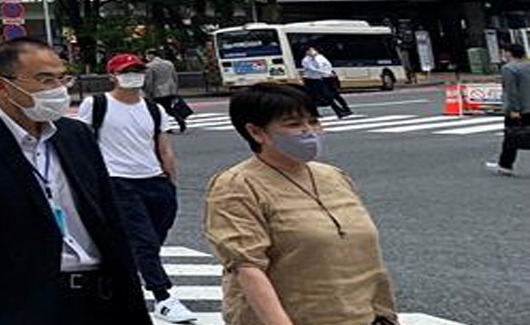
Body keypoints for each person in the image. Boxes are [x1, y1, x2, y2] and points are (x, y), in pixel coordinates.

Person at [0, 37, 151, 325]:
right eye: (45, 80)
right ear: (1, 86)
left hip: (98, 300)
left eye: (61, 79)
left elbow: (109, 219)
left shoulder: (75, 135)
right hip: (19, 307)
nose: (57, 90)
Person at [205, 82, 397, 325]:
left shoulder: (333, 176)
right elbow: (247, 268)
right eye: (294, 124)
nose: (309, 131)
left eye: (314, 121)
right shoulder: (237, 186)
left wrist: (382, 313)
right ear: (256, 132)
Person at [75, 55, 192, 323]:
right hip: (117, 181)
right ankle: (163, 297)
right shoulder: (96, 105)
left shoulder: (153, 109)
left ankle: (119, 278)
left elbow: (164, 147)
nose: (134, 75)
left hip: (155, 181)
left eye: (139, 70)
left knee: (152, 238)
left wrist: (170, 181)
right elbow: (83, 144)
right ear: (112, 76)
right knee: (144, 240)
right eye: (127, 71)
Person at [488, 41, 530, 176]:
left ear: (508, 53)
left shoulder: (509, 68)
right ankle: (504, 164)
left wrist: (514, 109)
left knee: (511, 137)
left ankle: (505, 165)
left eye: (503, 52)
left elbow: (511, 91)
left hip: (519, 109)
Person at [298, 45, 352, 119]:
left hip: (318, 79)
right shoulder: (305, 60)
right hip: (310, 81)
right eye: (311, 50)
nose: (313, 51)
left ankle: (339, 112)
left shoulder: (317, 58)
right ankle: (315, 113)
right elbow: (313, 69)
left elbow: (325, 65)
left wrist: (328, 72)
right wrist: (326, 72)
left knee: (327, 96)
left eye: (313, 50)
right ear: (307, 52)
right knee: (313, 97)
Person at [142, 50, 186, 132]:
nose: (146, 58)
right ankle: (177, 122)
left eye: (147, 55)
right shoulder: (169, 63)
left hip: (158, 91)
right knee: (167, 108)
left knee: (160, 109)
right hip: (170, 89)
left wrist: (148, 92)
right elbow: (174, 77)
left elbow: (149, 81)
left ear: (151, 55)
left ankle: (171, 124)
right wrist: (175, 89)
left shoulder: (150, 66)